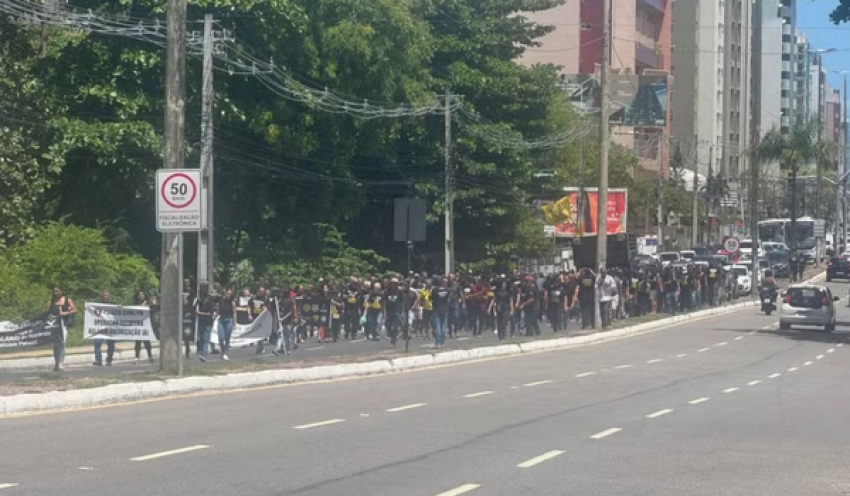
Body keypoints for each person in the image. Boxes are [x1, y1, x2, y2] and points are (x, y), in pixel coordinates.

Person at [48, 286, 76, 372]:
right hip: (54, 325)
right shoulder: (51, 301)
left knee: (62, 344)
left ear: (62, 291)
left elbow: (74, 310)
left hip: (64, 325)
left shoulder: (68, 300)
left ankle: (61, 362)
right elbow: (47, 313)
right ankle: (56, 362)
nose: (55, 293)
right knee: (55, 345)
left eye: (57, 291)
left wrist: (65, 313)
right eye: (54, 291)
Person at [92, 291, 116, 366]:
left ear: (109, 297)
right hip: (100, 327)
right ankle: (98, 360)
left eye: (107, 295)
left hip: (110, 327)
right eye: (104, 295)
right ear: (102, 296)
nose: (105, 297)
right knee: (97, 343)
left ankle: (109, 360)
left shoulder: (113, 306)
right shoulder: (98, 305)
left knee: (111, 344)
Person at [195, 283, 215, 362]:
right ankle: (201, 351)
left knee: (206, 339)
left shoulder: (210, 302)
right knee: (201, 338)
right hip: (201, 322)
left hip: (207, 322)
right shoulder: (199, 302)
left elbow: (210, 313)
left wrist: (200, 313)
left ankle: (204, 354)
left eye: (201, 295)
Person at [133, 291, 154, 364]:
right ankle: (136, 357)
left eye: (142, 294)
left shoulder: (148, 303)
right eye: (140, 294)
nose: (141, 296)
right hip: (138, 325)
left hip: (146, 325)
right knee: (137, 342)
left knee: (147, 342)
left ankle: (150, 356)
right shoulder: (135, 304)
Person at [383, 278, 404, 347]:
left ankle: (393, 341)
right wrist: (384, 311)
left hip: (397, 311)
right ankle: (392, 335)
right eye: (392, 283)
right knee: (387, 324)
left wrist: (402, 311)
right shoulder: (386, 292)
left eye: (395, 283)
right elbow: (385, 302)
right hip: (389, 311)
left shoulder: (400, 292)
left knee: (395, 326)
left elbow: (402, 302)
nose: (393, 285)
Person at [430, 277, 450, 348]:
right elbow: (447, 298)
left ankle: (438, 342)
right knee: (443, 326)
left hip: (436, 308)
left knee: (437, 326)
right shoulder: (446, 289)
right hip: (444, 308)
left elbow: (431, 298)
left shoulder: (434, 290)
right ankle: (442, 342)